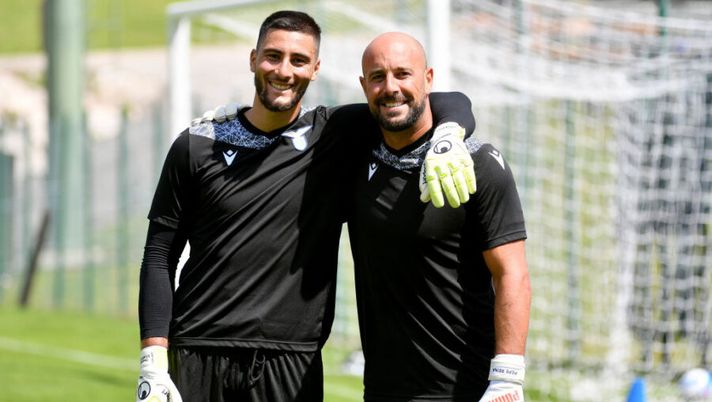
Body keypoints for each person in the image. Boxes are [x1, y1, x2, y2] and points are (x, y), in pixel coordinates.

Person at [135, 11, 476, 402]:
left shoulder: (334, 134)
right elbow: (159, 255)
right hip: (198, 349)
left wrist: (448, 133)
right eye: (272, 56)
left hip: (290, 363)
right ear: (252, 59)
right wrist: (152, 360)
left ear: (315, 69)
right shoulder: (195, 145)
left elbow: (443, 101)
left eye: (298, 60)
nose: (283, 70)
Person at [347, 32, 531, 402]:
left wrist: (507, 377)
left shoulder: (476, 162)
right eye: (378, 77)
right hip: (383, 390)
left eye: (403, 74)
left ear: (428, 79)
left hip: (465, 387)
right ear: (364, 85)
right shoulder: (350, 150)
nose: (391, 87)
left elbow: (512, 271)